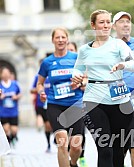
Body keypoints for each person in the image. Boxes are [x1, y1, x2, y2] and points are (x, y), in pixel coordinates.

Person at [71, 9, 134, 167]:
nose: (106, 25)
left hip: (120, 101)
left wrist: (123, 64)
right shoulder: (84, 50)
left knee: (118, 149)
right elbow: (78, 69)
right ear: (93, 25)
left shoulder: (119, 44)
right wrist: (76, 75)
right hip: (94, 100)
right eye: (102, 22)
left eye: (108, 22)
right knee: (104, 148)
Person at [36, 27, 84, 167]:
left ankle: (73, 163)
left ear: (67, 39)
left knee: (76, 146)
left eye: (63, 37)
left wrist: (81, 82)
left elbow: (87, 78)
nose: (61, 40)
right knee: (62, 142)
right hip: (55, 105)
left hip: (75, 104)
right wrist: (41, 93)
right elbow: (40, 83)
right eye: (57, 37)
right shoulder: (47, 62)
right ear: (53, 40)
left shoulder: (76, 58)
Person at [112, 11, 134, 167]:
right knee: (119, 146)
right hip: (116, 101)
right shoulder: (108, 46)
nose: (126, 24)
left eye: (128, 21)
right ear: (114, 26)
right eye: (121, 22)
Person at [67, 41, 87, 167]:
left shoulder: (80, 65)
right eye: (68, 50)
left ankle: (82, 156)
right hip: (62, 106)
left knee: (80, 135)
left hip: (79, 104)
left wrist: (81, 84)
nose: (70, 52)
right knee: (67, 136)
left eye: (72, 50)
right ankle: (69, 158)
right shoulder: (60, 66)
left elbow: (87, 79)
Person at [31, 59, 52, 152]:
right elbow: (31, 90)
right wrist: (40, 90)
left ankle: (57, 138)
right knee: (47, 125)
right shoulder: (38, 77)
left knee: (54, 124)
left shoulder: (52, 75)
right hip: (42, 104)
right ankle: (48, 144)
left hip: (54, 103)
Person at [0, 67, 21, 147]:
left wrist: (16, 97)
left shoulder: (15, 84)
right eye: (3, 73)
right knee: (6, 129)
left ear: (9, 74)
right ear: (1, 75)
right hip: (3, 111)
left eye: (7, 73)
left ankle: (13, 137)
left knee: (14, 130)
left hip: (13, 111)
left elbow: (20, 94)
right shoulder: (0, 86)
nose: (5, 74)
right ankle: (8, 145)